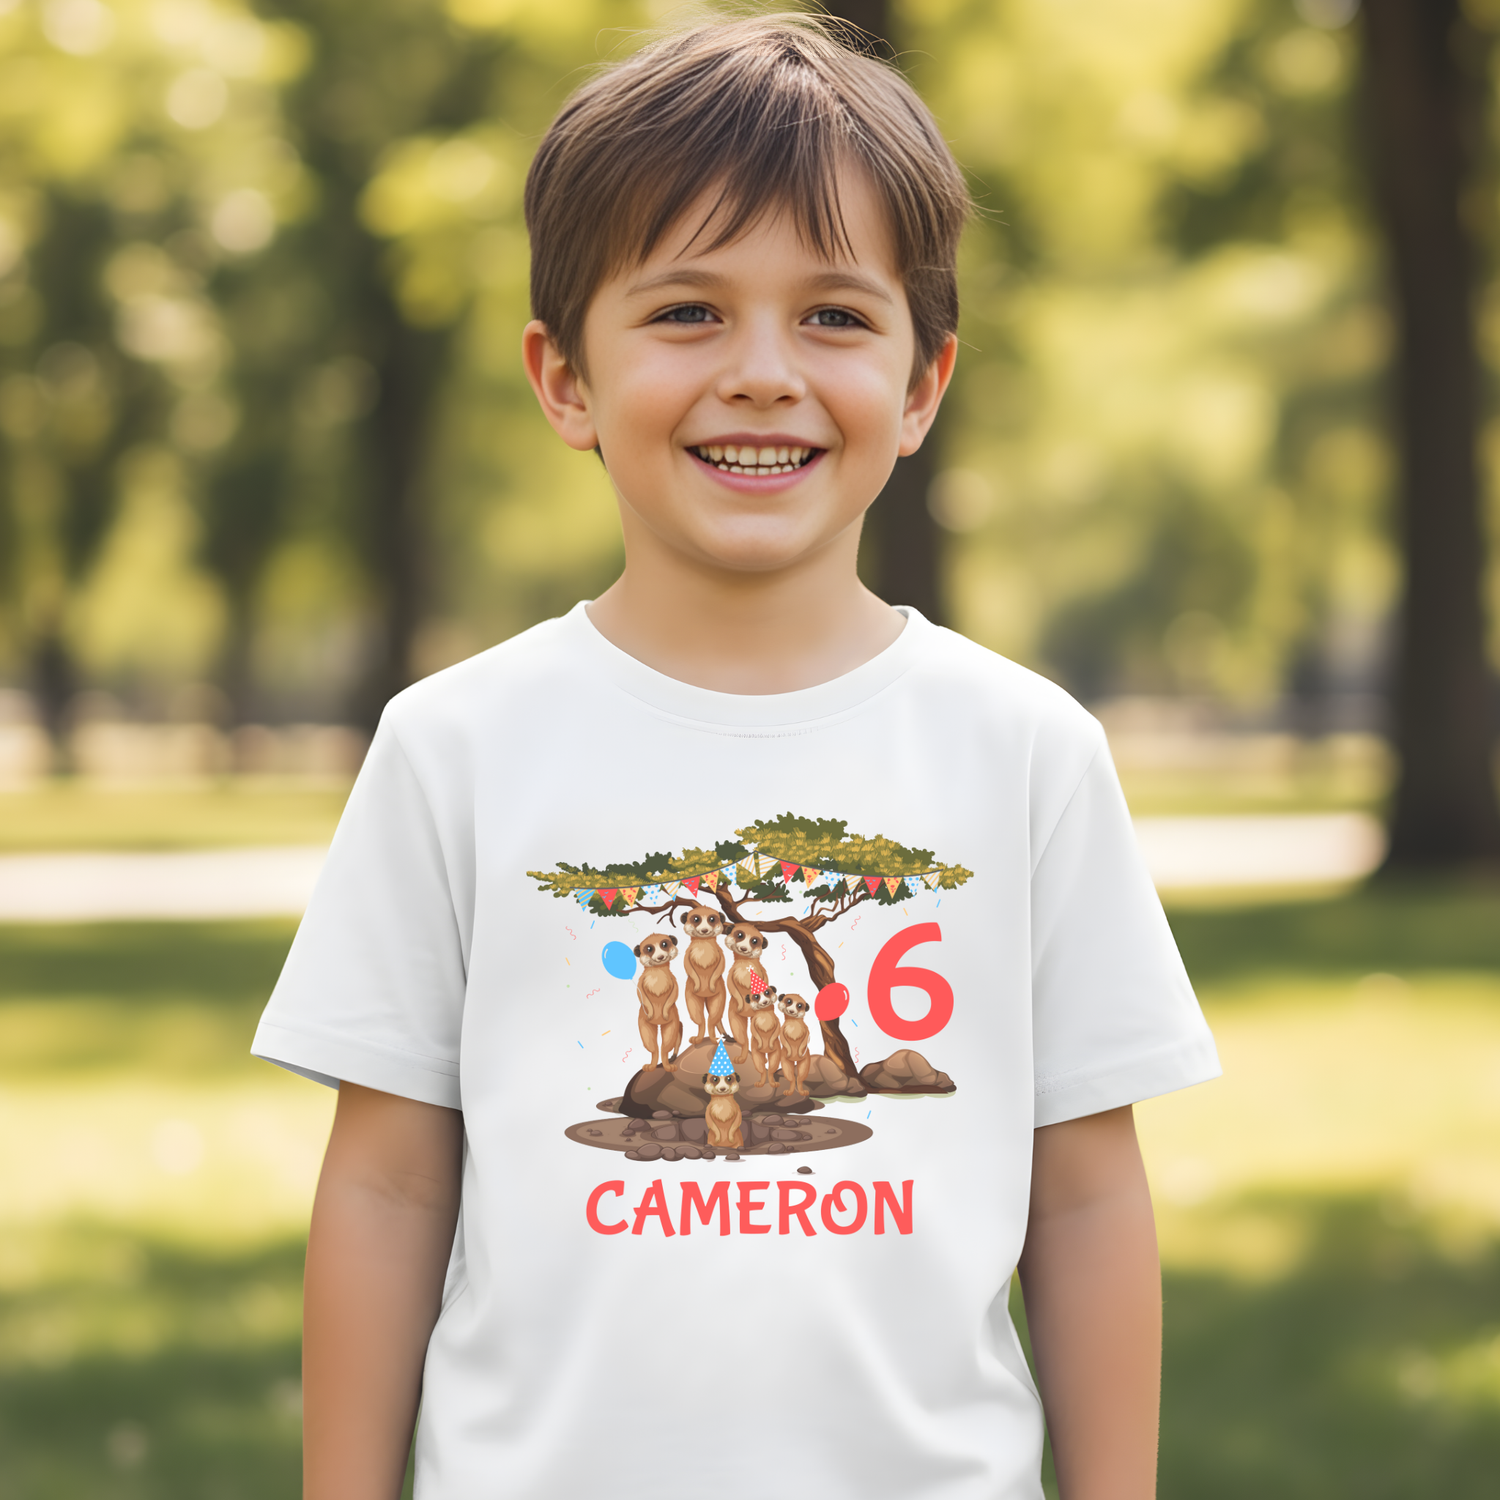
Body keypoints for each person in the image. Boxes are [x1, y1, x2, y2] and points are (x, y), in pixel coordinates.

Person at [252, 14, 1220, 1500]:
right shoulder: (454, 747)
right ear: (565, 378)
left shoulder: (1025, 751)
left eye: (834, 316)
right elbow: (385, 1187)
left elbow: (1086, 1202)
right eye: (689, 312)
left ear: (921, 386)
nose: (763, 372)